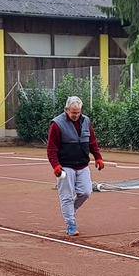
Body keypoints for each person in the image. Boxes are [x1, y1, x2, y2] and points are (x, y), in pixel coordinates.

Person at [45, 96, 103, 236]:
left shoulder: (86, 121)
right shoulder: (57, 124)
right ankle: (71, 223)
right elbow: (51, 149)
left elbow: (92, 142)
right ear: (66, 110)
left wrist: (98, 157)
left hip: (82, 165)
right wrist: (56, 166)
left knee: (86, 192)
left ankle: (71, 210)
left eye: (78, 112)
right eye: (73, 113)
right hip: (65, 166)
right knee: (66, 196)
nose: (76, 115)